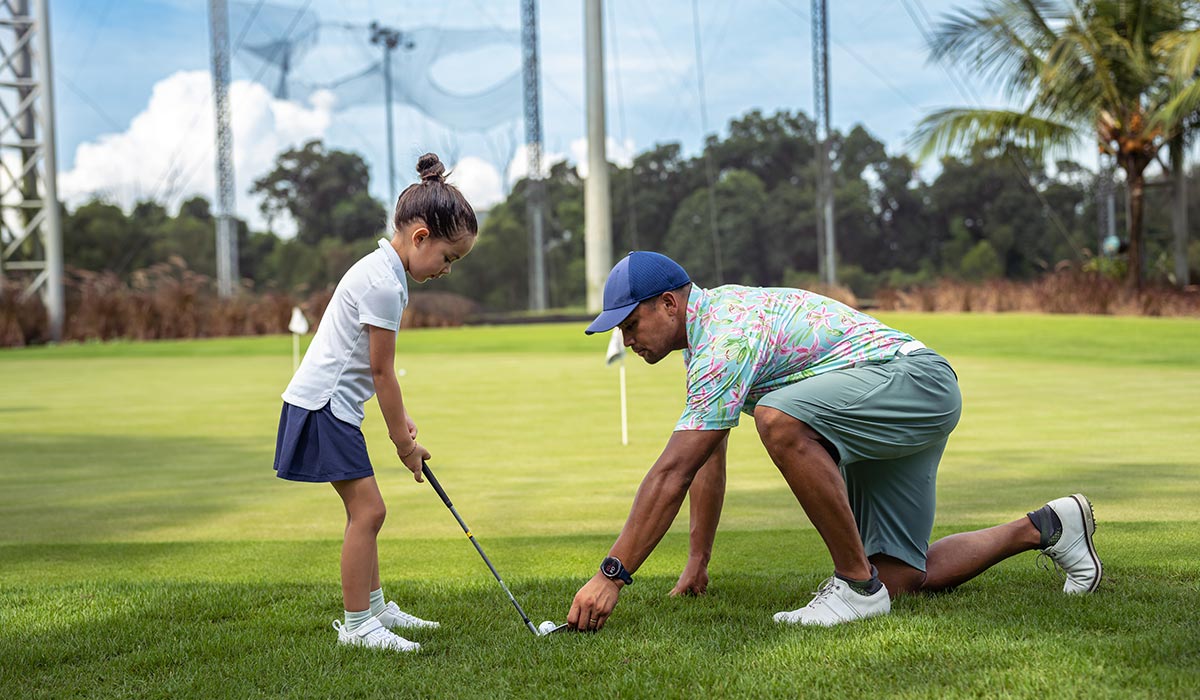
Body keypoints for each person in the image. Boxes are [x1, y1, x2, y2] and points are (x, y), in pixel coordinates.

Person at [566, 251, 1101, 631]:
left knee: (777, 419)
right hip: (894, 399)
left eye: (631, 324)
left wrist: (612, 575)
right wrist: (697, 562)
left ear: (668, 304)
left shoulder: (725, 337)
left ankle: (854, 587)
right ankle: (1050, 526)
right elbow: (707, 457)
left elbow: (672, 471)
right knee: (900, 578)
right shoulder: (706, 340)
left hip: (915, 382)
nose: (628, 340)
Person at [273, 153, 478, 652]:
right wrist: (403, 446)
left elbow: (371, 368)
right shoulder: (384, 285)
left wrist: (401, 420)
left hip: (331, 407)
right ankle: (359, 625)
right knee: (369, 512)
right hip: (323, 408)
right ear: (421, 237)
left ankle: (376, 608)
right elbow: (383, 371)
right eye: (448, 258)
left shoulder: (383, 271)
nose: (447, 270)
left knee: (367, 511)